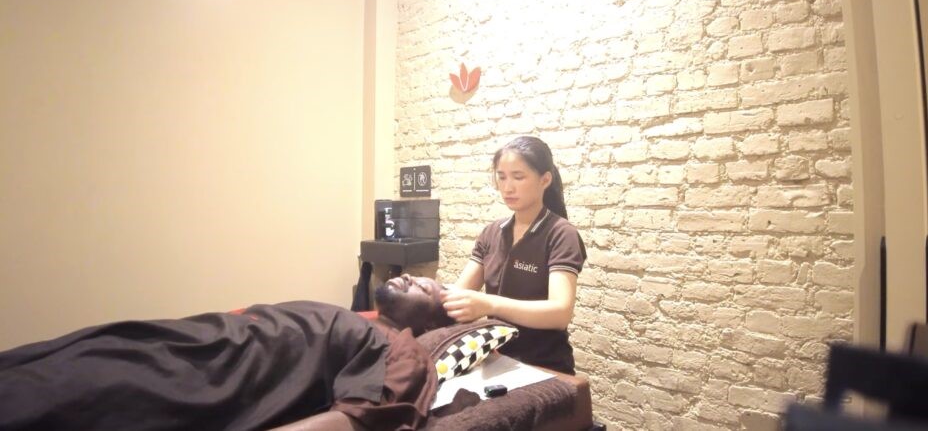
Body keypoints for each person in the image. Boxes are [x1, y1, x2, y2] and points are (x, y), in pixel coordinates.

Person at [0, 276, 454, 431]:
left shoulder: (403, 349)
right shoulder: (361, 317)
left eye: (427, 287)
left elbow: (353, 420)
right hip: (185, 338)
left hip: (200, 376)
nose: (411, 278)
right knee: (47, 359)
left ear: (432, 324)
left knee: (54, 392)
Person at [441, 136, 587, 375]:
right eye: (502, 177)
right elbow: (461, 291)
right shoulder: (492, 232)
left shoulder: (561, 234)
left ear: (545, 180)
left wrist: (489, 304)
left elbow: (560, 313)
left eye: (518, 177)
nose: (507, 187)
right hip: (495, 360)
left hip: (544, 366)